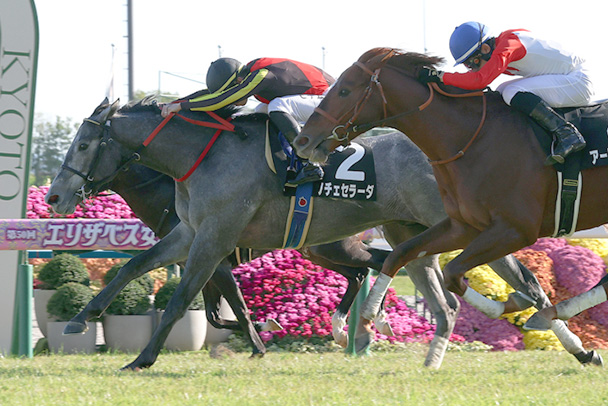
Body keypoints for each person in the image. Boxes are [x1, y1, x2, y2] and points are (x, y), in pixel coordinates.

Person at [418, 21, 593, 165]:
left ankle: (567, 133)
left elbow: (479, 81)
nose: (471, 69)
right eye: (467, 65)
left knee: (511, 91)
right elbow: (476, 80)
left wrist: (440, 76)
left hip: (579, 81)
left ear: (485, 49)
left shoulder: (508, 45)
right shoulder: (502, 43)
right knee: (502, 91)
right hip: (566, 77)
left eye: (473, 62)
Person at [161, 57, 335, 186]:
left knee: (277, 106)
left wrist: (182, 106)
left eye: (232, 90)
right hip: (317, 97)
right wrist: (172, 104)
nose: (233, 101)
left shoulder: (261, 75)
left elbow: (221, 99)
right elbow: (211, 94)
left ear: (239, 81)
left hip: (332, 98)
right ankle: (281, 162)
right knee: (260, 112)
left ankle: (309, 163)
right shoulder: (249, 74)